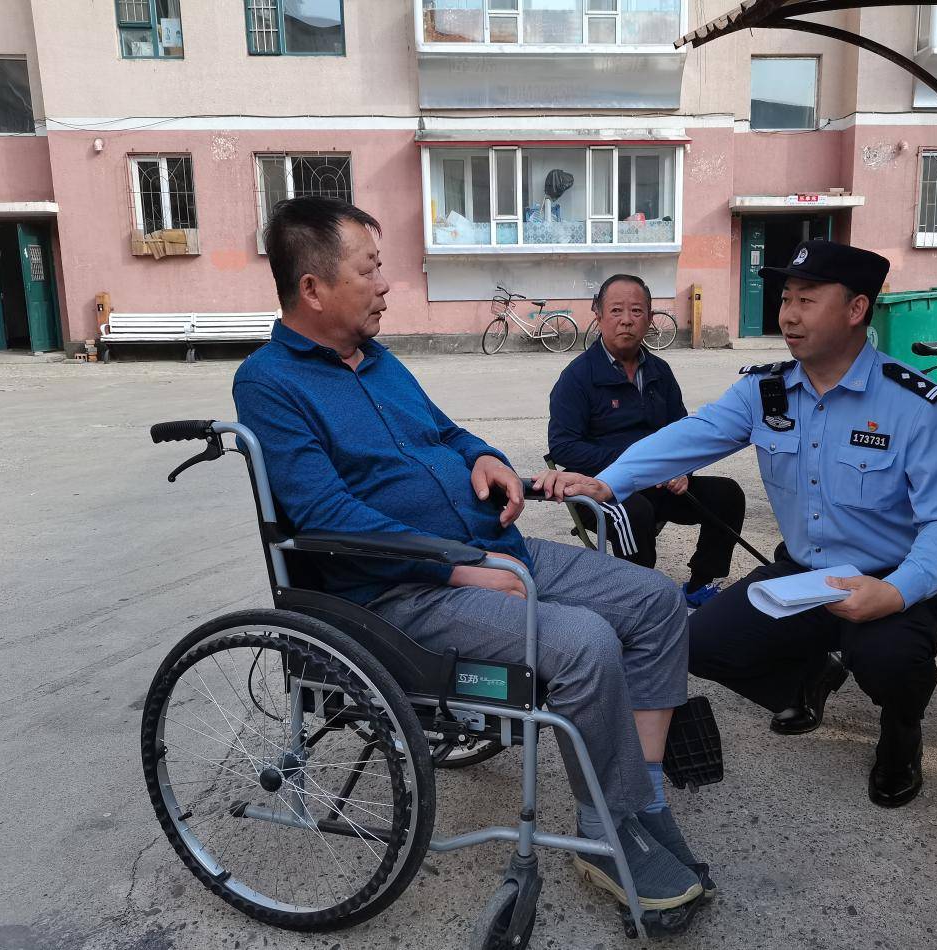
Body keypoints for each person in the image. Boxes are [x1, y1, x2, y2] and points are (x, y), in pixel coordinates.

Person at [232, 196, 711, 915]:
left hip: (492, 546)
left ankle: (640, 802)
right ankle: (608, 828)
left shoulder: (380, 362)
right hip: (400, 593)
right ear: (313, 288)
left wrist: (485, 457)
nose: (386, 284)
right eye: (370, 270)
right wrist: (456, 569)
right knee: (583, 642)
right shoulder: (270, 382)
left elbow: (448, 435)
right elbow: (325, 514)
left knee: (658, 603)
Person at [534, 240, 937, 808]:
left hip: (889, 577)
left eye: (807, 300)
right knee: (695, 644)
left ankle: (901, 734)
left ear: (856, 309)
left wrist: (896, 592)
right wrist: (610, 482)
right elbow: (689, 436)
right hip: (803, 575)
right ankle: (808, 680)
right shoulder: (765, 390)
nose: (788, 315)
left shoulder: (914, 405)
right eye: (786, 299)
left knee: (891, 662)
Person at [548, 274, 746, 608]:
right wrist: (635, 465)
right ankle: (639, 599)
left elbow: (684, 434)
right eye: (616, 310)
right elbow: (563, 447)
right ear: (598, 315)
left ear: (650, 318)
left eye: (636, 311)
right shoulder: (577, 378)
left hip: (660, 483)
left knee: (727, 495)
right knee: (634, 512)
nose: (626, 320)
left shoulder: (660, 372)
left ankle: (700, 584)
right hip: (600, 488)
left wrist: (682, 470)